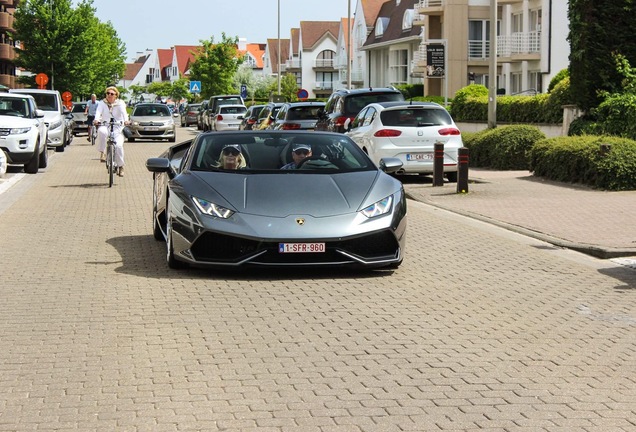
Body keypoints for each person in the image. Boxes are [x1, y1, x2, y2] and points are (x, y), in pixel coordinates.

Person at [94, 86, 130, 177]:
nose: (109, 95)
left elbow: (124, 113)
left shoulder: (120, 103)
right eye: (108, 93)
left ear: (116, 95)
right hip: (105, 124)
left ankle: (121, 166)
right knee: (102, 132)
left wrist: (126, 120)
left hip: (118, 126)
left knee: (118, 146)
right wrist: (96, 119)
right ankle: (103, 153)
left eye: (112, 94)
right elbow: (98, 112)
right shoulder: (102, 103)